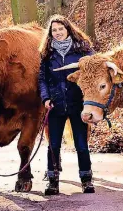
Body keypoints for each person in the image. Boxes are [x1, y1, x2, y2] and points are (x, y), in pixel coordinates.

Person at [38, 14, 95, 195]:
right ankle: (53, 181)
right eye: (54, 30)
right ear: (50, 33)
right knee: (53, 145)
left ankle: (86, 180)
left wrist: (88, 97)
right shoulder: (47, 54)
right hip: (55, 105)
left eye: (61, 29)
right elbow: (42, 79)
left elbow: (95, 71)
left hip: (77, 103)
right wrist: (46, 98)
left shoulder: (83, 50)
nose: (58, 33)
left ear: (68, 29)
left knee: (81, 144)